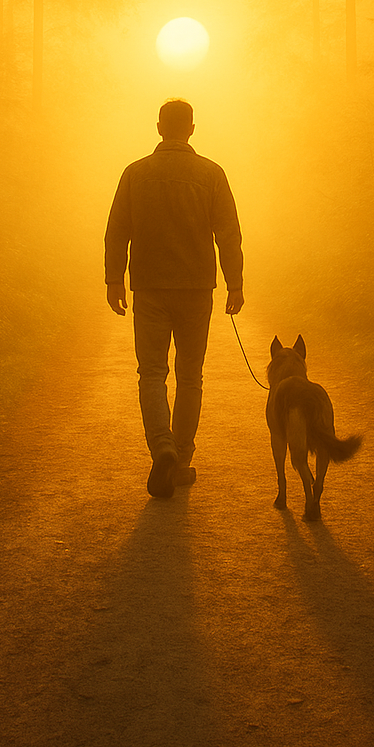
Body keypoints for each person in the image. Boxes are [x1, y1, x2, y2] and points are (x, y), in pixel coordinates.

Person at [104, 97, 244, 499]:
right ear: (192, 129)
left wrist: (115, 279)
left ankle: (161, 447)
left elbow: (117, 229)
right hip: (196, 289)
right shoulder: (212, 173)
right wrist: (234, 283)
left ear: (159, 127)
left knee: (151, 373)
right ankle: (180, 458)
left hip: (149, 288)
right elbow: (228, 233)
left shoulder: (135, 173)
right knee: (190, 376)